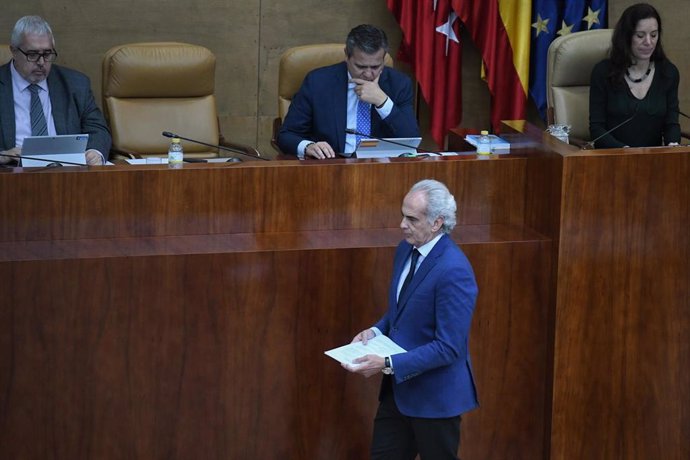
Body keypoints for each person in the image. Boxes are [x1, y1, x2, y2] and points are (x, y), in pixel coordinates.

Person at [343, 179, 479, 460]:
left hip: (435, 401)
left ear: (437, 223)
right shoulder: (405, 249)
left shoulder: (454, 271)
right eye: (402, 215)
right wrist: (375, 332)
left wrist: (388, 363)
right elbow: (401, 311)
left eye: (411, 218)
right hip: (399, 394)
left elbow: (449, 347)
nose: (402, 224)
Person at [277, 24, 420, 159]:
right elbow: (286, 135)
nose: (369, 74)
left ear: (383, 58)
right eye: (361, 66)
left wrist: (383, 102)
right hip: (332, 167)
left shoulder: (399, 84)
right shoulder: (318, 82)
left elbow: (411, 140)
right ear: (347, 55)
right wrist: (308, 146)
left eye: (375, 67)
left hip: (380, 169)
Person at [0, 15, 111, 166]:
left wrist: (95, 152)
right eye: (32, 54)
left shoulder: (76, 84)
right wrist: (2, 156)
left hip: (66, 174)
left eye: (47, 54)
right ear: (14, 51)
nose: (41, 62)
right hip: (11, 174)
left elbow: (98, 129)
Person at [589, 3, 680, 148]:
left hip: (654, 161)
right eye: (640, 36)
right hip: (612, 159)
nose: (649, 42)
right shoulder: (603, 73)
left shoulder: (668, 73)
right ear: (626, 36)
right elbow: (597, 129)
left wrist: (672, 144)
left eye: (654, 35)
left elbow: (671, 124)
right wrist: (625, 152)